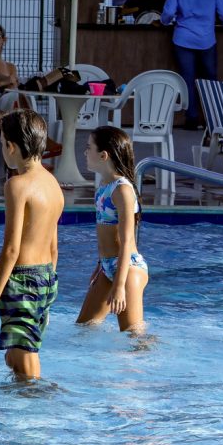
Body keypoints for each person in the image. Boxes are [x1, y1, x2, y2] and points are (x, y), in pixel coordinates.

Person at [0, 109, 63, 380]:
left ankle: (41, 412)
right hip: (46, 280)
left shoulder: (17, 185)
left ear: (11, 146)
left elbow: (11, 249)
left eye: (2, 142)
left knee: (26, 368)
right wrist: (46, 298)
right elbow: (53, 247)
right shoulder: (53, 184)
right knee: (17, 357)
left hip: (21, 283)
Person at [77, 126, 149, 333]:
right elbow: (106, 234)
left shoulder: (122, 190)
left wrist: (119, 286)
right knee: (83, 329)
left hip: (128, 268)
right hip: (109, 266)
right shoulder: (104, 186)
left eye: (88, 148)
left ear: (103, 155)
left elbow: (126, 240)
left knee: (133, 337)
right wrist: (100, 264)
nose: (85, 152)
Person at [161, 0, 223, 130]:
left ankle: (191, 118)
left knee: (187, 79)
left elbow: (168, 14)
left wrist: (163, 21)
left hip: (183, 39)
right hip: (207, 39)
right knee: (210, 81)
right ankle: (214, 120)